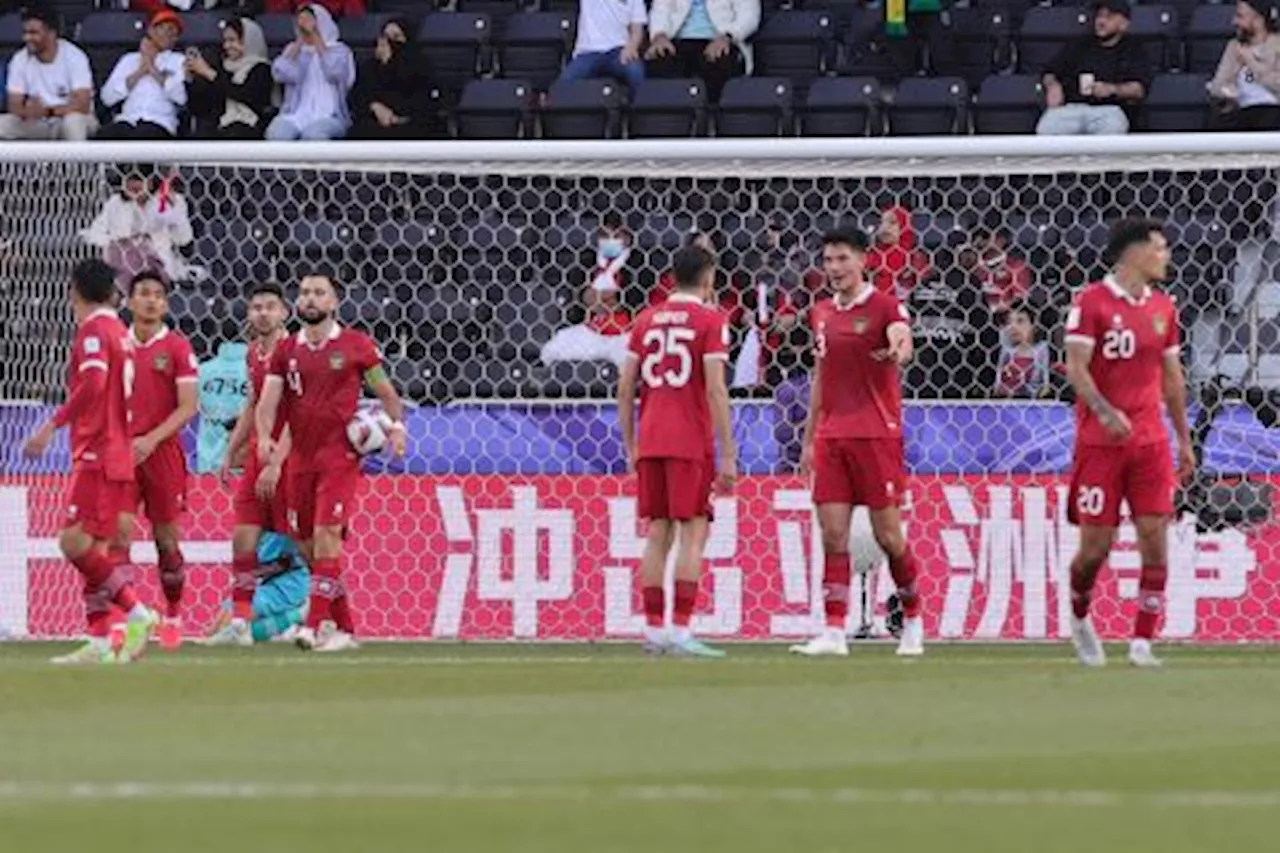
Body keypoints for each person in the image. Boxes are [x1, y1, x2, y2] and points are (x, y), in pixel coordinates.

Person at [1063, 219, 1194, 668]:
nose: (1166, 256)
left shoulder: (1163, 307)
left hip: (1150, 442)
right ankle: (1079, 615)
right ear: (1133, 253)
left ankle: (1141, 642)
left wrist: (1183, 438)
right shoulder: (1091, 303)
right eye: (1159, 248)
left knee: (1155, 540)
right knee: (1094, 548)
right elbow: (1076, 368)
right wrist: (1103, 410)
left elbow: (1172, 380)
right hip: (1099, 444)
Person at [790, 229, 925, 658]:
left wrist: (898, 350)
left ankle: (914, 621)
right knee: (833, 535)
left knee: (888, 536)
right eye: (828, 260)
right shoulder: (822, 312)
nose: (833, 268)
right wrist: (809, 438)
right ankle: (833, 632)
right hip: (832, 436)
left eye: (842, 259)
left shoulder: (884, 306)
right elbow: (821, 376)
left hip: (875, 436)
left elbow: (902, 337)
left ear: (863, 260)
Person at [256, 273, 408, 652]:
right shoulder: (286, 350)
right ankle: (344, 628)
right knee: (308, 548)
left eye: (319, 293)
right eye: (305, 291)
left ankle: (312, 625)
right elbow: (268, 402)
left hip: (339, 458)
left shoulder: (356, 345)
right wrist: (264, 439)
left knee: (327, 538)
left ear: (334, 302)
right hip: (299, 461)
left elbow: (387, 394)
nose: (310, 298)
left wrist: (397, 426)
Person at [21, 259, 156, 665]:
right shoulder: (120, 332)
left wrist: (52, 426)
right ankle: (99, 639)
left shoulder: (95, 330)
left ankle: (138, 613)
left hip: (98, 451)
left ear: (74, 291)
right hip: (114, 451)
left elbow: (94, 384)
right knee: (95, 548)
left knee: (72, 542)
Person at [617, 244, 737, 657]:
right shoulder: (710, 320)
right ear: (708, 279)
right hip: (689, 440)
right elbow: (716, 388)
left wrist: (631, 444)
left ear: (672, 277)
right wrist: (728, 454)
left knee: (657, 533)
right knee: (693, 534)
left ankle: (654, 632)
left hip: (651, 437)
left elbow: (625, 386)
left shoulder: (645, 320)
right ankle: (682, 631)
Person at [116, 271, 199, 650]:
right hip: (122, 453)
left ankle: (173, 613)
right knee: (118, 535)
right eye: (143, 294)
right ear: (129, 302)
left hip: (161, 452)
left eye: (157, 295)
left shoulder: (178, 348)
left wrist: (151, 438)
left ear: (165, 304)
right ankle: (128, 619)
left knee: (166, 540)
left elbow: (188, 407)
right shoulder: (116, 345)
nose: (150, 300)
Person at [210, 281, 292, 647]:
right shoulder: (252, 354)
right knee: (243, 539)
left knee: (302, 545)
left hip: (289, 460)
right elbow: (254, 404)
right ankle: (241, 623)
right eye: (256, 306)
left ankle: (321, 615)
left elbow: (299, 412)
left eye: (270, 306)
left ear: (283, 312)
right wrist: (230, 452)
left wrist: (278, 459)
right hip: (258, 457)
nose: (262, 312)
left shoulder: (294, 353)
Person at [1037, 0, 1152, 136]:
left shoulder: (1134, 50)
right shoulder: (1079, 45)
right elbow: (1050, 72)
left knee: (1112, 129)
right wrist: (1053, 86)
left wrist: (1111, 89)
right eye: (1099, 16)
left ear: (1124, 24)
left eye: (1109, 17)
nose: (1101, 21)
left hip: (1109, 110)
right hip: (1072, 108)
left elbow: (1139, 89)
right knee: (1047, 128)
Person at [81, 167, 196, 289]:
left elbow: (184, 239)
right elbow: (94, 233)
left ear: (151, 183)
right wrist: (118, 241)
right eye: (128, 181)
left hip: (159, 269)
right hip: (123, 268)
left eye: (139, 182)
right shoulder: (115, 204)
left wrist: (175, 210)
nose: (133, 185)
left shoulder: (168, 201)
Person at [0, 6, 98, 141]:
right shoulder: (20, 59)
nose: (27, 38)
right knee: (3, 124)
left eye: (34, 33)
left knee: (73, 122)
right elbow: (14, 105)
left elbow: (82, 105)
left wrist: (48, 111)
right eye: (25, 32)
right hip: (37, 122)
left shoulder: (74, 56)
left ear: (51, 33)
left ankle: (76, 162)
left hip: (74, 119)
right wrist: (27, 111)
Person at [266, 4, 355, 141]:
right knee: (276, 134)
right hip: (296, 113)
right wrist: (300, 42)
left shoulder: (339, 50)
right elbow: (280, 73)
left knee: (313, 135)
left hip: (329, 114)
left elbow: (334, 72)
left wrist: (316, 38)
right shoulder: (294, 49)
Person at [206, 531, 311, 645]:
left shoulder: (281, 530)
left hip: (288, 585)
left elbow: (283, 563)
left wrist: (251, 573)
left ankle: (297, 617)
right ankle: (292, 623)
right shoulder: (257, 533)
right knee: (231, 612)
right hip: (271, 584)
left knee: (235, 616)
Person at [646, 0, 760, 102]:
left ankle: (714, 121)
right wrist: (659, 35)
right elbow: (660, 10)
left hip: (721, 39)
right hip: (676, 40)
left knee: (720, 64)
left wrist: (728, 36)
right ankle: (671, 122)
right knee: (660, 60)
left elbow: (750, 16)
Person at [99, 9, 187, 139]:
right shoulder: (129, 59)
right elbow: (107, 98)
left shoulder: (179, 60)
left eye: (173, 30)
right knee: (104, 138)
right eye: (162, 28)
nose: (168, 33)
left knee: (144, 135)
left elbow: (181, 97)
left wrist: (152, 68)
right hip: (127, 120)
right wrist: (140, 71)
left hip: (159, 122)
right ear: (150, 31)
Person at [184, 16, 274, 139]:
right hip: (218, 127)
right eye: (225, 41)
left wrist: (210, 73)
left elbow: (244, 94)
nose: (227, 46)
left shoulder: (262, 69)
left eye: (232, 40)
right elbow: (200, 108)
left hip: (248, 129)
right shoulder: (222, 68)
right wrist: (191, 79)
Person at [349, 17, 434, 140]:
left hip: (410, 126)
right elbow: (358, 97)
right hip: (374, 125)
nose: (389, 43)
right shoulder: (369, 66)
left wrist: (390, 65)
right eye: (385, 36)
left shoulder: (421, 64)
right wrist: (374, 106)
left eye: (396, 38)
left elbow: (421, 100)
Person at [1208, 0, 1280, 131]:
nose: (1234, 22)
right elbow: (1217, 86)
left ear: (1258, 20)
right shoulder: (1234, 47)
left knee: (1268, 118)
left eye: (1240, 16)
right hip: (1241, 109)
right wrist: (1228, 91)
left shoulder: (1277, 45)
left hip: (1272, 109)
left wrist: (1251, 62)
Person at [557, 0, 647, 91]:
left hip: (619, 51)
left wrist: (631, 48)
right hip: (588, 51)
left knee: (635, 71)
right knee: (564, 84)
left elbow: (637, 29)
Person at [865, 206, 931, 300]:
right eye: (881, 223)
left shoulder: (915, 258)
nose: (885, 227)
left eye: (892, 222)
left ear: (904, 225)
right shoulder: (870, 256)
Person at [993, 304, 1052, 398]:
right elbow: (997, 386)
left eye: (1020, 321)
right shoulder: (1006, 350)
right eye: (1009, 322)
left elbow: (1045, 385)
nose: (1013, 326)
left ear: (1034, 325)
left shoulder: (1041, 350)